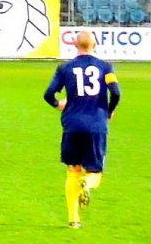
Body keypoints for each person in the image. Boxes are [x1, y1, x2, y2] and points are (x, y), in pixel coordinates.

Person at [43, 31, 121, 229]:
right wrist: (109, 111)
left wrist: (58, 104)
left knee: (72, 171)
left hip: (72, 125)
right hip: (96, 125)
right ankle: (87, 183)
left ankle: (74, 219)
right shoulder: (105, 67)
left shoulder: (64, 68)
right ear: (95, 45)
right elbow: (116, 92)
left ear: (74, 44)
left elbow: (48, 94)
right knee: (95, 172)